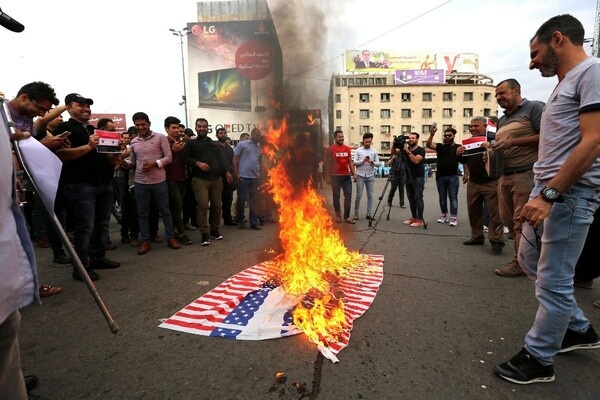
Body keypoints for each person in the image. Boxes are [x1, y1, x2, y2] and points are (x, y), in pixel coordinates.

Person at [494, 14, 600, 385]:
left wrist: (551, 195)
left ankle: (539, 359)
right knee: (527, 257)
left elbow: (594, 140)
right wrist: (541, 191)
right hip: (547, 191)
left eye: (535, 53)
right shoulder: (564, 83)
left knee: (555, 278)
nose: (531, 62)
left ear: (558, 39)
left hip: (570, 194)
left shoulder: (592, 72)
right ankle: (577, 328)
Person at [55, 93, 121, 281]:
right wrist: (89, 146)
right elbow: (61, 154)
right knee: (85, 227)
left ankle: (98, 258)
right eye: (80, 105)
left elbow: (109, 158)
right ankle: (81, 267)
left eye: (88, 106)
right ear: (68, 107)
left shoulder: (94, 129)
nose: (86, 109)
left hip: (104, 183)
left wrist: (118, 151)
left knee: (102, 224)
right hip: (80, 185)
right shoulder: (64, 127)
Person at [491, 79, 544, 277]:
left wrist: (512, 142)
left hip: (525, 174)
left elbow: (547, 136)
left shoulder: (534, 108)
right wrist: (490, 153)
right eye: (497, 95)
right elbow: (501, 146)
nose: (499, 98)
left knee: (521, 221)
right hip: (504, 176)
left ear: (517, 90)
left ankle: (522, 263)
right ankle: (525, 257)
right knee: (508, 220)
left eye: (502, 93)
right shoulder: (502, 120)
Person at [128, 112, 181, 255]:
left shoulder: (160, 138)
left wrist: (154, 164)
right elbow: (133, 162)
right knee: (142, 213)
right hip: (140, 182)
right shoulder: (133, 142)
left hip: (159, 181)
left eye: (143, 124)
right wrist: (123, 163)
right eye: (137, 125)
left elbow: (168, 157)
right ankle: (145, 241)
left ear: (149, 124)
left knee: (165, 211)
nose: (140, 127)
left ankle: (171, 238)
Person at [458, 117, 505, 254]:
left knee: (494, 214)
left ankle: (497, 241)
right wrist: (459, 154)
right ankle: (477, 236)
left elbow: (502, 158)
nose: (472, 129)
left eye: (476, 126)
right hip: (474, 182)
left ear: (485, 127)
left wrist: (490, 148)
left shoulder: (493, 140)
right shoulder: (469, 142)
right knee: (473, 212)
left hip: (491, 182)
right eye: (471, 126)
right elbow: (464, 160)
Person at [183, 118, 232, 245]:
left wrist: (227, 171)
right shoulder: (191, 144)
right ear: (196, 128)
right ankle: (204, 234)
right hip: (200, 180)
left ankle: (214, 230)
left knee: (217, 206)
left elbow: (223, 159)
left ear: (208, 128)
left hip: (216, 179)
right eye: (199, 126)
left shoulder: (214, 144)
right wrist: (198, 163)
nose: (202, 128)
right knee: (203, 206)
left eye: (204, 126)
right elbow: (185, 158)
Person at [165, 116, 193, 245]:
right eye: (173, 128)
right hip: (170, 179)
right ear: (167, 129)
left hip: (183, 178)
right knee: (176, 207)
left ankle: (173, 232)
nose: (176, 130)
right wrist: (173, 150)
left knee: (177, 207)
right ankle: (181, 234)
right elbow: (162, 159)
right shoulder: (164, 142)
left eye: (178, 127)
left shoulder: (181, 142)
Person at [426, 126, 461, 227]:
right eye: (445, 135)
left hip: (453, 177)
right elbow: (429, 145)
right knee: (442, 197)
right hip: (440, 177)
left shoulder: (458, 147)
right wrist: (432, 134)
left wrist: (466, 174)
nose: (447, 137)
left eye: (449, 135)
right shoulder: (440, 146)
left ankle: (453, 217)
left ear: (454, 136)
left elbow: (464, 161)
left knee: (453, 197)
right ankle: (444, 215)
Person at [233, 128, 263, 230]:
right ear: (252, 134)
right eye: (257, 135)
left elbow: (259, 162)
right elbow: (235, 158)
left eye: (260, 135)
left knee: (254, 201)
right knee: (242, 199)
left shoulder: (259, 148)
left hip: (255, 178)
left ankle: (253, 222)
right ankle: (241, 220)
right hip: (243, 177)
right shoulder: (242, 144)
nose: (259, 137)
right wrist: (236, 173)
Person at [325, 129, 357, 224]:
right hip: (335, 177)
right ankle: (338, 215)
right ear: (335, 138)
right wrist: (327, 177)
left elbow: (350, 162)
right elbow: (327, 164)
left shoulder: (347, 149)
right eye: (339, 137)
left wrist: (354, 174)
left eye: (342, 137)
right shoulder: (330, 149)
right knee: (336, 196)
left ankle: (346, 216)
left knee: (348, 195)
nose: (341, 138)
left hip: (346, 177)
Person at [399, 132, 426, 227]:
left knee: (418, 197)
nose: (410, 139)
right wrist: (395, 144)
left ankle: (420, 219)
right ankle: (414, 217)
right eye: (409, 138)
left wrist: (408, 152)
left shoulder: (421, 150)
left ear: (417, 139)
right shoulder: (406, 150)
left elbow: (416, 161)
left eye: (413, 138)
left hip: (418, 177)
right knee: (411, 199)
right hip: (408, 177)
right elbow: (393, 153)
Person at [353, 132, 380, 220]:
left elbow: (378, 164)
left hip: (370, 175)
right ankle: (356, 213)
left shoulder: (374, 151)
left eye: (369, 142)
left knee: (370, 195)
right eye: (366, 142)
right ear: (363, 141)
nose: (368, 143)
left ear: (371, 141)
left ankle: (369, 213)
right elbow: (354, 162)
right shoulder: (358, 150)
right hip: (360, 175)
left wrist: (372, 162)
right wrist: (362, 161)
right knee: (359, 195)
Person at [215, 127, 236, 226]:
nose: (223, 135)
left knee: (228, 199)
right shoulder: (214, 147)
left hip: (229, 177)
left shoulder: (229, 149)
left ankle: (227, 218)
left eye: (224, 133)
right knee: (217, 201)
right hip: (218, 177)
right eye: (220, 133)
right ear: (216, 135)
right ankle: (215, 223)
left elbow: (232, 162)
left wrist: (233, 173)